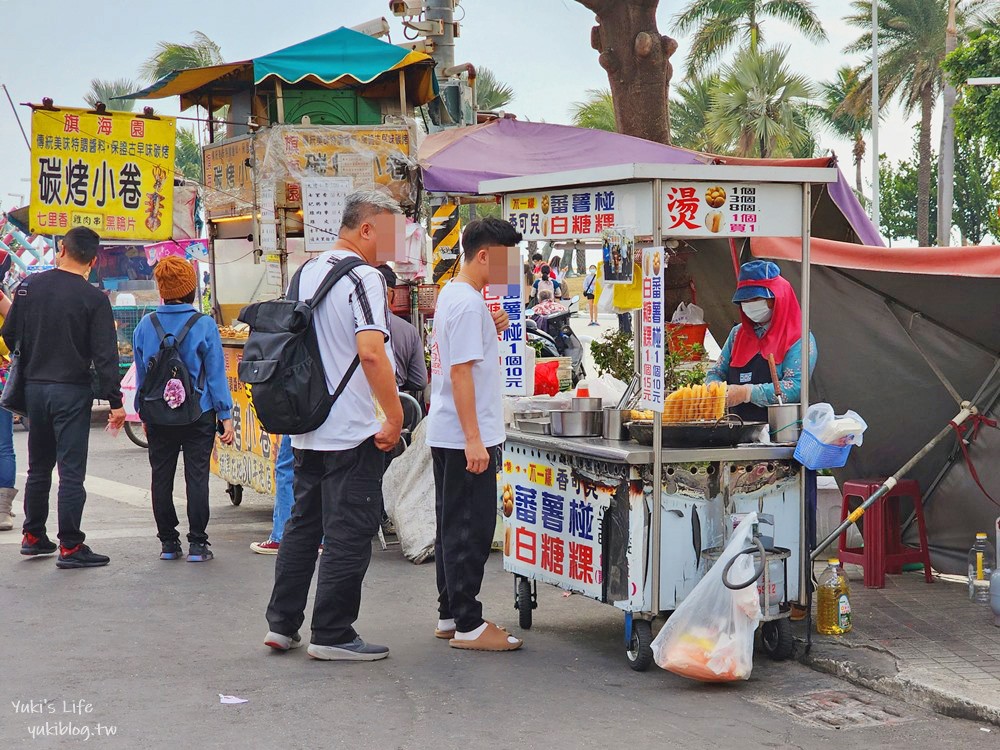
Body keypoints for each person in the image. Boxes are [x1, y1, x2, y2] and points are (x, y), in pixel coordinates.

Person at [264, 190, 403, 662]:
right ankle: (333, 632)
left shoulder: (306, 272)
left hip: (307, 424)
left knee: (304, 526)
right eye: (389, 233)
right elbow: (370, 351)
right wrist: (395, 413)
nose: (393, 245)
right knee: (349, 528)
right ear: (366, 229)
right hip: (349, 427)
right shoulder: (365, 277)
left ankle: (282, 626)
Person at [1, 226, 125, 569]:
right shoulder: (95, 299)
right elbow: (105, 356)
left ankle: (33, 536)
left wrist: (35, 356)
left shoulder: (29, 287)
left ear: (61, 250)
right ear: (94, 260)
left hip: (34, 389)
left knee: (39, 465)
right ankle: (70, 545)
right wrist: (116, 403)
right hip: (71, 390)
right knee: (71, 471)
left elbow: (10, 334)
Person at [427, 217, 523, 652]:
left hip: (448, 429)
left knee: (453, 524)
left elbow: (464, 357)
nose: (510, 269)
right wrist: (474, 439)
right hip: (466, 434)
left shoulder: (457, 294)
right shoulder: (466, 303)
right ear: (484, 255)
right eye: (506, 260)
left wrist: (491, 326)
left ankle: (451, 614)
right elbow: (462, 373)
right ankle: (468, 622)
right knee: (470, 527)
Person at [132, 257, 235, 562]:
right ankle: (198, 544)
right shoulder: (203, 325)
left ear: (161, 289)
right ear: (191, 289)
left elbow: (142, 376)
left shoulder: (145, 325)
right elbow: (215, 374)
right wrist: (225, 415)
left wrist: (143, 412)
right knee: (197, 477)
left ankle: (168, 543)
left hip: (157, 413)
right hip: (198, 412)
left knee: (160, 477)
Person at [705, 260, 818, 421]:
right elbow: (716, 372)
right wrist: (713, 385)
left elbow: (796, 386)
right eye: (745, 301)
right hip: (736, 430)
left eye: (757, 298)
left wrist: (747, 393)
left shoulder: (799, 338)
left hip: (779, 432)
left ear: (778, 298)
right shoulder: (737, 334)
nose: (750, 305)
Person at [376, 264, 428, 397]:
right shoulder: (409, 330)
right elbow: (420, 381)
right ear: (392, 294)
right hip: (398, 400)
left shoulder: (355, 324)